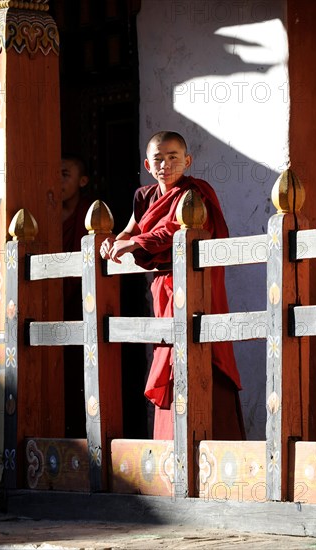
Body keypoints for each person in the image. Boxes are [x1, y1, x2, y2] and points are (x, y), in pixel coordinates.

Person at [100, 131, 245, 440]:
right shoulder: (146, 197)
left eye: (173, 157)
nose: (165, 164)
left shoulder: (195, 193)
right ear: (148, 165)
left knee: (202, 347)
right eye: (158, 159)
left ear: (187, 160)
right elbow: (129, 232)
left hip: (197, 281)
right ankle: (170, 445)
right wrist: (112, 243)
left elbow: (175, 231)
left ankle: (215, 440)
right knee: (168, 352)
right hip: (165, 286)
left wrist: (135, 242)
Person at [62, 154, 93, 437]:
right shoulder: (45, 212)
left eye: (64, 174)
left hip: (80, 302)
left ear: (82, 181)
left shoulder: (88, 213)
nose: (57, 181)